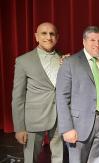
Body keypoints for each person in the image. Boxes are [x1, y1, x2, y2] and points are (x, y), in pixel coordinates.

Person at [56, 26, 99, 163]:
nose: (97, 44)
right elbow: (62, 98)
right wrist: (67, 128)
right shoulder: (70, 62)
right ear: (84, 41)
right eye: (92, 40)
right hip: (79, 124)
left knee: (98, 160)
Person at [12, 22, 63, 163]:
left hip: (59, 117)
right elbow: (18, 97)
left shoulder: (64, 58)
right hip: (33, 120)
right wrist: (19, 128)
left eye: (52, 34)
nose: (48, 37)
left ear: (57, 37)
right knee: (31, 159)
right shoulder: (23, 61)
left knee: (60, 157)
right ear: (36, 37)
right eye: (44, 33)